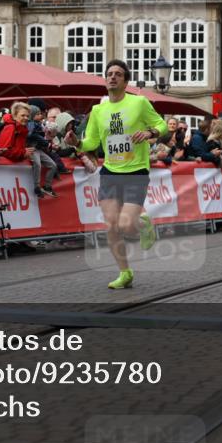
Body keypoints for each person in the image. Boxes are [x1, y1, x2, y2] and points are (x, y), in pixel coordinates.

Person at [64, 59, 167, 290]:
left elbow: (162, 125)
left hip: (136, 170)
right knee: (111, 225)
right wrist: (77, 142)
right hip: (110, 171)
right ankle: (124, 272)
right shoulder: (98, 110)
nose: (112, 77)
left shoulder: (139, 102)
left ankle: (143, 225)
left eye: (118, 74)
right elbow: (91, 142)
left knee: (126, 225)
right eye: (109, 73)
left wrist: (149, 132)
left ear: (126, 81)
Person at [0, 102, 58, 198]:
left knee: (52, 165)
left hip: (14, 177)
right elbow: (4, 150)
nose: (26, 118)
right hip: (5, 177)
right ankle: (37, 187)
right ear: (14, 115)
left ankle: (46, 187)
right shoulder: (11, 127)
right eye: (22, 115)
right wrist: (23, 153)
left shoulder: (23, 127)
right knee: (38, 164)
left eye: (27, 116)